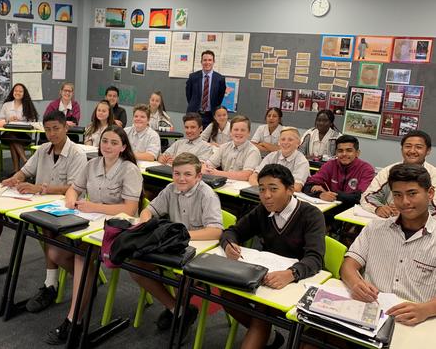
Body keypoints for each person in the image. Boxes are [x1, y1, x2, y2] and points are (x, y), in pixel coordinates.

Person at [0, 111, 87, 313]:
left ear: (66, 128)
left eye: (56, 128)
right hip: (39, 201)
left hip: (67, 207)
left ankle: (51, 284)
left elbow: (74, 188)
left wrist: (40, 188)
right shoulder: (43, 149)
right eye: (48, 129)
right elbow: (26, 171)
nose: (52, 133)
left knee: (46, 226)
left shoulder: (77, 154)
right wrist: (15, 178)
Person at [45, 125, 143, 344]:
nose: (108, 146)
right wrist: (71, 199)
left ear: (123, 147)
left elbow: (129, 209)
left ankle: (74, 320)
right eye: (105, 141)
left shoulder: (129, 169)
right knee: (55, 252)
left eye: (114, 143)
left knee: (82, 254)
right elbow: (74, 188)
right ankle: (87, 286)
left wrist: (94, 206)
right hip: (92, 222)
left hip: (119, 228)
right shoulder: (92, 164)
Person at [221, 164, 325, 349]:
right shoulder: (263, 209)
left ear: (290, 189)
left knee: (263, 310)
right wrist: (229, 245)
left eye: (273, 189)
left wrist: (291, 273)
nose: (266, 195)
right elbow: (233, 232)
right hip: (266, 275)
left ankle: (266, 335)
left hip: (296, 280)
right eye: (262, 189)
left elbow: (315, 258)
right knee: (227, 294)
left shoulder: (311, 215)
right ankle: (269, 338)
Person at [134, 152, 223, 338]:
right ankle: (177, 309)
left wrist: (181, 236)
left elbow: (215, 231)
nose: (181, 179)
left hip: (199, 249)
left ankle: (178, 312)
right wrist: (144, 224)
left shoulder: (207, 195)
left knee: (181, 275)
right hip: (174, 247)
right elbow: (148, 210)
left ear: (199, 176)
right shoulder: (170, 189)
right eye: (177, 173)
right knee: (135, 266)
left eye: (187, 174)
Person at [342, 163, 436, 327]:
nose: (405, 201)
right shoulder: (375, 228)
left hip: (415, 322)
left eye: (412, 193)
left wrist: (426, 309)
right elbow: (348, 266)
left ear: (430, 193)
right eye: (397, 195)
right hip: (368, 313)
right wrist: (356, 284)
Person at [361, 130, 436, 217]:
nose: (412, 151)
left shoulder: (434, 175)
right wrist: (378, 208)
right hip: (389, 222)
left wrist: (409, 212)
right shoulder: (388, 171)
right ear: (402, 149)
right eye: (408, 146)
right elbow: (367, 197)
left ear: (428, 151)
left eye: (418, 147)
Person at [303, 135, 375, 205]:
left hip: (352, 211)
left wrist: (331, 194)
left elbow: (360, 197)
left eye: (349, 151)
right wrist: (320, 194)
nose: (344, 154)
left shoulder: (366, 169)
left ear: (357, 153)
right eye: (340, 151)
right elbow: (307, 185)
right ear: (336, 153)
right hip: (329, 207)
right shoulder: (330, 165)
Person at [249, 127, 308, 192]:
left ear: (298, 143)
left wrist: (270, 189)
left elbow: (296, 187)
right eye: (283, 139)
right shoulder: (271, 156)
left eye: (290, 140)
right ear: (279, 142)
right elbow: (254, 176)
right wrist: (261, 188)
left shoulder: (302, 162)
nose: (285, 142)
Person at [203, 115, 261, 181]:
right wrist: (206, 169)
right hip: (224, 186)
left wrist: (217, 173)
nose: (239, 133)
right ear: (230, 132)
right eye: (236, 130)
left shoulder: (253, 151)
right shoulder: (224, 147)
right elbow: (207, 165)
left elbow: (246, 175)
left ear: (248, 133)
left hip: (241, 188)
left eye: (243, 130)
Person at [0, 83, 39, 172]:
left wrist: (21, 120)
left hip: (24, 136)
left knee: (13, 141)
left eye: (20, 91)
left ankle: (16, 170)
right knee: (12, 136)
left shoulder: (27, 105)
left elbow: (33, 121)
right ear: (13, 92)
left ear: (24, 93)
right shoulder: (6, 105)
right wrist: (8, 120)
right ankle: (26, 161)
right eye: (16, 91)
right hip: (7, 135)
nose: (18, 93)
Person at [185, 50, 227, 128]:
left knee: (209, 138)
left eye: (210, 60)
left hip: (211, 115)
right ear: (201, 62)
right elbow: (189, 95)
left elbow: (219, 98)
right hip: (195, 113)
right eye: (205, 60)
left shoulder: (220, 79)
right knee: (193, 137)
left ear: (213, 62)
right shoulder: (193, 77)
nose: (207, 62)